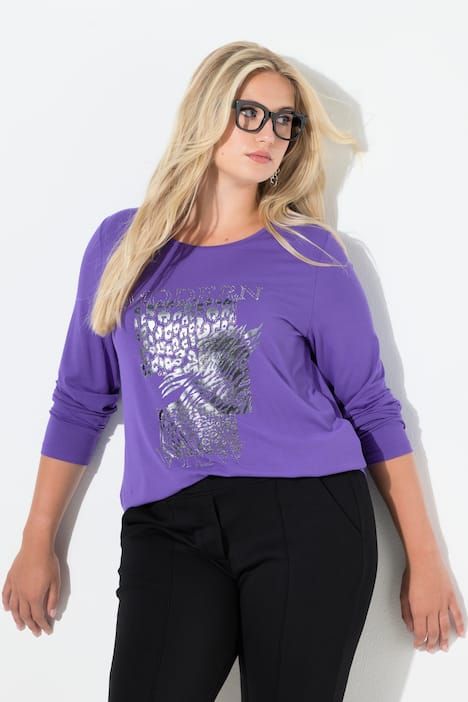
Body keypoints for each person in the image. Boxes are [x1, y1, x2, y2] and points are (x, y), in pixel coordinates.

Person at [2, 40, 465, 702]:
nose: (269, 135)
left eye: (285, 121)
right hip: (168, 523)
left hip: (307, 515)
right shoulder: (121, 246)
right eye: (250, 113)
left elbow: (371, 408)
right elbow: (81, 399)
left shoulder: (309, 254)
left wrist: (425, 559)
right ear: (206, 111)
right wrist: (37, 540)